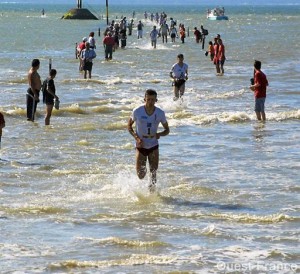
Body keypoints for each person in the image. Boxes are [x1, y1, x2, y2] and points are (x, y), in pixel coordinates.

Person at [127, 89, 170, 192]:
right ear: (144, 99)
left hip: (153, 144)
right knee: (141, 175)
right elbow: (129, 126)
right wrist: (136, 138)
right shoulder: (137, 111)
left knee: (153, 171)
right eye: (148, 99)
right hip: (141, 145)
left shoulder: (160, 113)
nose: (150, 102)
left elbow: (167, 130)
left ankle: (152, 194)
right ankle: (143, 171)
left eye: (153, 100)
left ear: (156, 100)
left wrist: (159, 134)